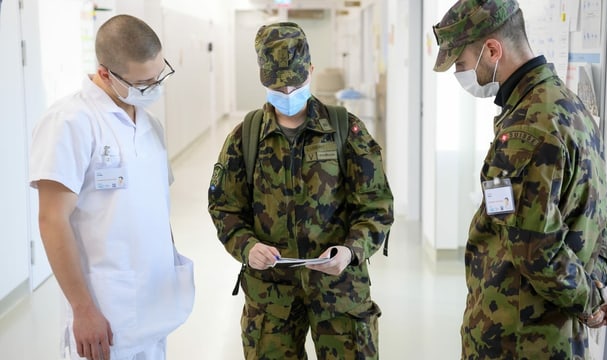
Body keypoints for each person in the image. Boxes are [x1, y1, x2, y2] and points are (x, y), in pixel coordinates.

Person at [432, 0, 607, 358]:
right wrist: (596, 288)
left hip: (517, 334)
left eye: (460, 64)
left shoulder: (527, 128)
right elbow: (601, 220)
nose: (460, 75)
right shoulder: (568, 104)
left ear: (492, 50)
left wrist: (590, 298)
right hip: (555, 330)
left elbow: (533, 245)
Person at [208, 22, 394, 359]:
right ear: (263, 78)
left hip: (340, 294)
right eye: (279, 85)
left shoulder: (345, 130)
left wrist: (351, 251)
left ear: (310, 70)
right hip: (271, 298)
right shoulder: (245, 137)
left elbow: (376, 206)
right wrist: (247, 246)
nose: (289, 92)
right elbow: (225, 208)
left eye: (296, 82)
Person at [29, 14, 194, 360]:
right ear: (105, 73)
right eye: (144, 83)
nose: (154, 89)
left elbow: (156, 205)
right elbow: (51, 220)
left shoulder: (150, 124)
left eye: (159, 75)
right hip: (104, 315)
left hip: (155, 305)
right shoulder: (70, 122)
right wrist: (83, 309)